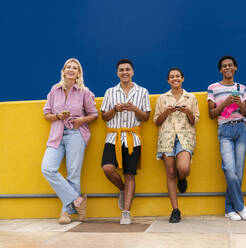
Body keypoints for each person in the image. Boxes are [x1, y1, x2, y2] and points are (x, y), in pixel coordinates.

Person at [41, 58, 98, 224]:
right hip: (56, 133)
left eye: (75, 68)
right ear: (63, 70)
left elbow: (94, 115)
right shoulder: (54, 90)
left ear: (78, 73)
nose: (71, 70)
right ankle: (77, 200)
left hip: (76, 133)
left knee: (73, 173)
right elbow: (46, 114)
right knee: (47, 168)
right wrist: (58, 116)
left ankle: (66, 213)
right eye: (68, 67)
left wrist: (80, 120)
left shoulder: (84, 92)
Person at [100, 59, 151, 225]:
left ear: (133, 72)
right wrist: (115, 109)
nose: (124, 72)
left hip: (132, 138)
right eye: (121, 70)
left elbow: (146, 117)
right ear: (117, 73)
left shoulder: (142, 91)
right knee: (107, 168)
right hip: (113, 137)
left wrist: (134, 109)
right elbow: (103, 117)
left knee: (130, 174)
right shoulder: (110, 92)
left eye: (127, 69)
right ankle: (122, 189)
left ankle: (126, 213)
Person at [207, 55, 246, 221]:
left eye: (230, 65)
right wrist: (225, 103)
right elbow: (211, 114)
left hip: (241, 127)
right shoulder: (212, 87)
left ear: (235, 68)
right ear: (220, 70)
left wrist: (239, 104)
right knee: (229, 169)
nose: (227, 68)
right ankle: (240, 206)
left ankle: (229, 209)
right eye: (224, 66)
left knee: (238, 172)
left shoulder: (242, 87)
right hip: (224, 129)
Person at [154, 68, 200, 223]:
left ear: (183, 79)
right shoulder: (162, 98)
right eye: (172, 77)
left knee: (183, 168)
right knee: (170, 172)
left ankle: (183, 177)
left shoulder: (191, 97)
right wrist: (166, 112)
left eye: (178, 76)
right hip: (166, 138)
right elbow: (156, 121)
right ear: (168, 80)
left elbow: (195, 121)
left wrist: (187, 112)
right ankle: (175, 210)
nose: (175, 79)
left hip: (185, 137)